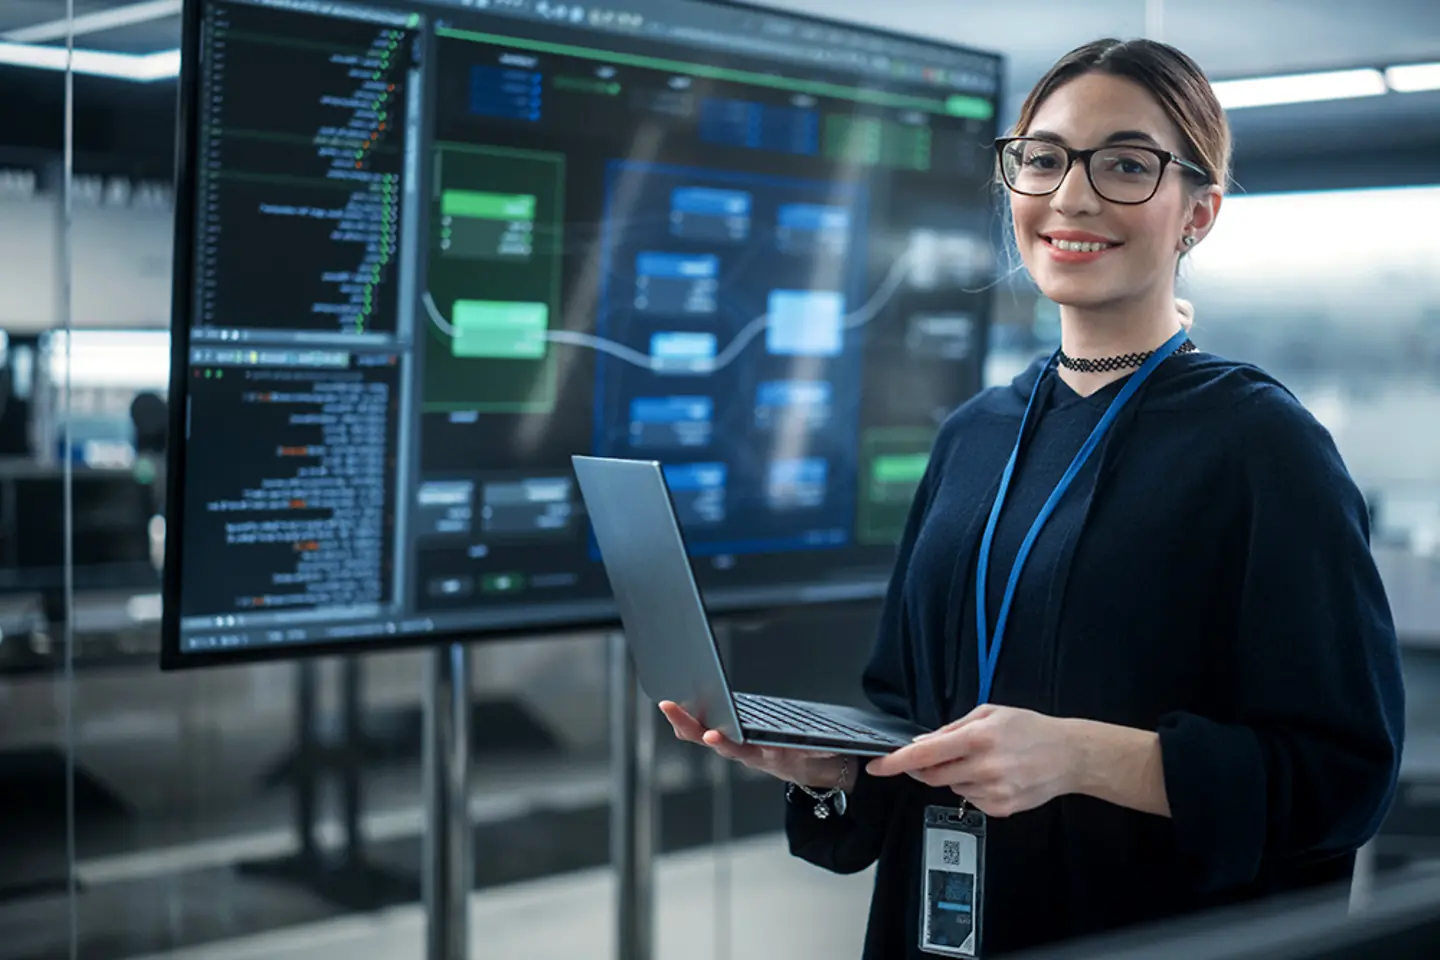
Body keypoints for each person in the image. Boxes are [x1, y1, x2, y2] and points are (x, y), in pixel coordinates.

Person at [660, 37, 1406, 958]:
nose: (1072, 196)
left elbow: (1342, 780)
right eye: (1043, 159)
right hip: (941, 927)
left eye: (1126, 165)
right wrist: (836, 770)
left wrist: (1083, 756)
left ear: (1198, 214)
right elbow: (904, 708)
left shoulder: (1263, 446)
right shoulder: (972, 434)